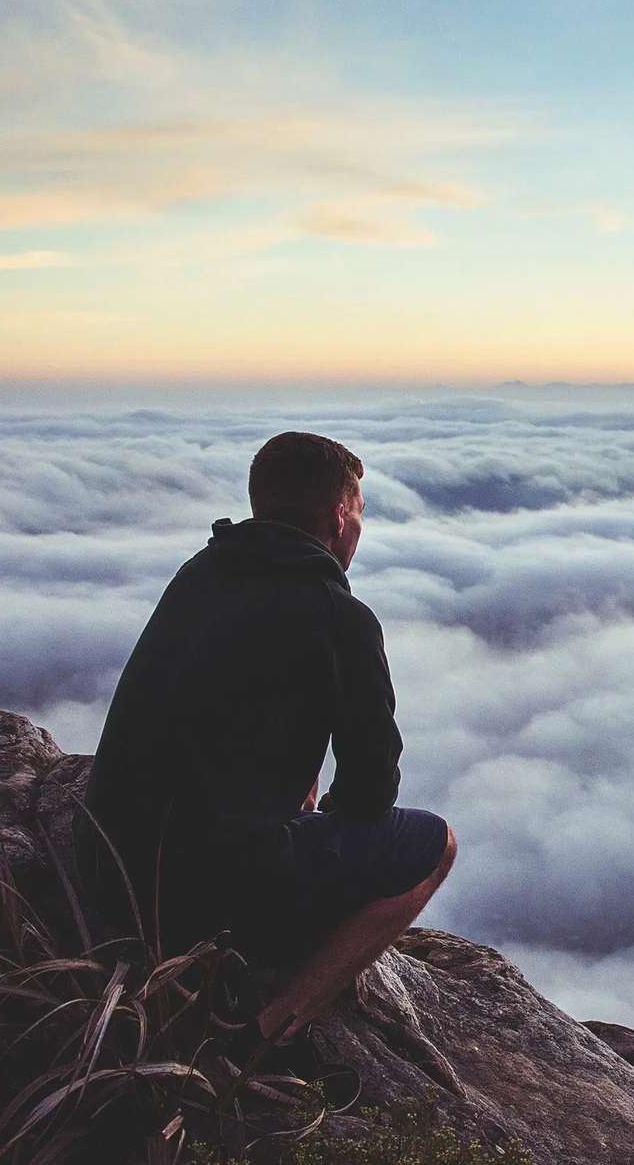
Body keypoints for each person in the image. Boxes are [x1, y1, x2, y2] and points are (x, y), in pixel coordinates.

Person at [75, 430, 455, 1057]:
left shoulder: (198, 574)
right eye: (358, 513)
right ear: (339, 517)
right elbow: (369, 791)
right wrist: (315, 825)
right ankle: (264, 1030)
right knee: (433, 844)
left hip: (107, 871)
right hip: (202, 900)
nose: (358, 529)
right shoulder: (339, 616)